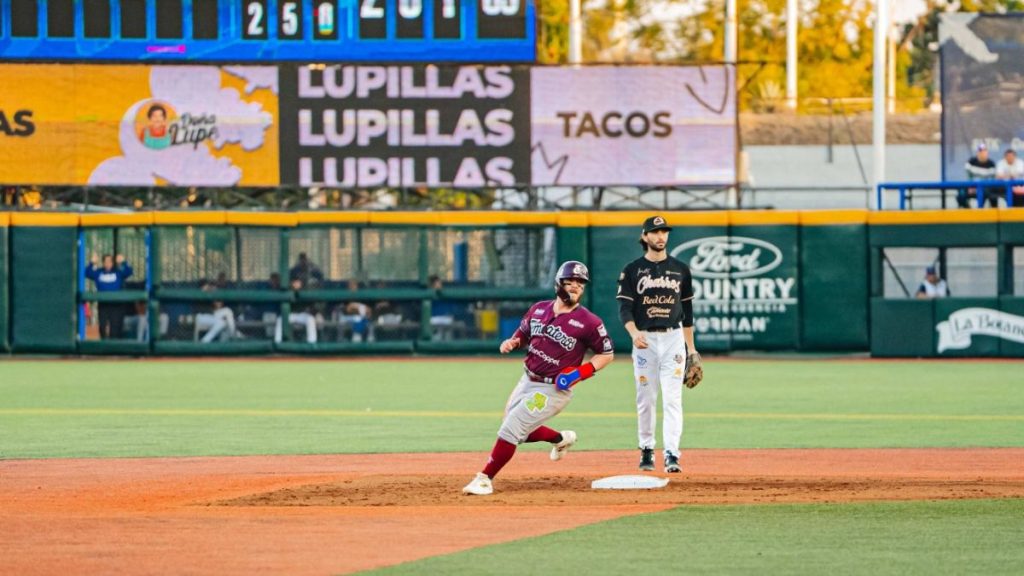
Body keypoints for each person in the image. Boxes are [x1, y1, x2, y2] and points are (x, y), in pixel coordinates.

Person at [462, 261, 615, 496]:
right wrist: (513, 341)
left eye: (580, 284)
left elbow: (607, 354)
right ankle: (561, 438)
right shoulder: (539, 309)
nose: (575, 287)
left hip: (553, 389)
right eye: (570, 282)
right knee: (514, 428)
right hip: (527, 379)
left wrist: (578, 373)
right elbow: (524, 332)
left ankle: (484, 478)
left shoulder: (589, 322)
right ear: (558, 284)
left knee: (512, 428)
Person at [616, 215, 698, 473]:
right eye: (655, 232)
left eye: (664, 231)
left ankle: (672, 454)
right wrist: (633, 333)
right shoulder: (632, 270)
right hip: (645, 341)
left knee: (673, 399)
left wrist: (692, 350)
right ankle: (647, 449)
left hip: (673, 339)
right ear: (644, 236)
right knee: (646, 398)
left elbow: (687, 313)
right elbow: (625, 308)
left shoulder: (681, 269)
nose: (660, 236)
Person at [84, 253, 134, 339]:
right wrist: (92, 262)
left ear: (112, 262)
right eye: (105, 261)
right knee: (102, 327)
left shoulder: (117, 272)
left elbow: (129, 272)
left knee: (115, 329)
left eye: (109, 261)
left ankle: (114, 348)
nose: (107, 263)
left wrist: (123, 262)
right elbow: (87, 273)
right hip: (103, 304)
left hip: (115, 305)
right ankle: (104, 347)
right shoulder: (99, 273)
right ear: (103, 263)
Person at [274, 278, 319, 344]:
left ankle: (312, 343)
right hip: (290, 314)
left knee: (310, 319)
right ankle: (277, 342)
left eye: (298, 282)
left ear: (301, 283)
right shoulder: (288, 291)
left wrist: (312, 312)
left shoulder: (304, 292)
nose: (296, 284)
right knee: (280, 319)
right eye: (294, 282)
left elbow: (311, 304)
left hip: (302, 314)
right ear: (291, 283)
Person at [962, 143, 998, 208]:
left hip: (986, 188)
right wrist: (971, 186)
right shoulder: (971, 162)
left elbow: (991, 179)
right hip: (972, 186)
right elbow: (969, 176)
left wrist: (979, 188)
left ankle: (983, 213)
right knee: (961, 195)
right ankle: (969, 211)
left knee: (990, 195)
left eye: (984, 151)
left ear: (987, 152)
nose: (982, 153)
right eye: (980, 151)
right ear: (978, 152)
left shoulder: (991, 164)